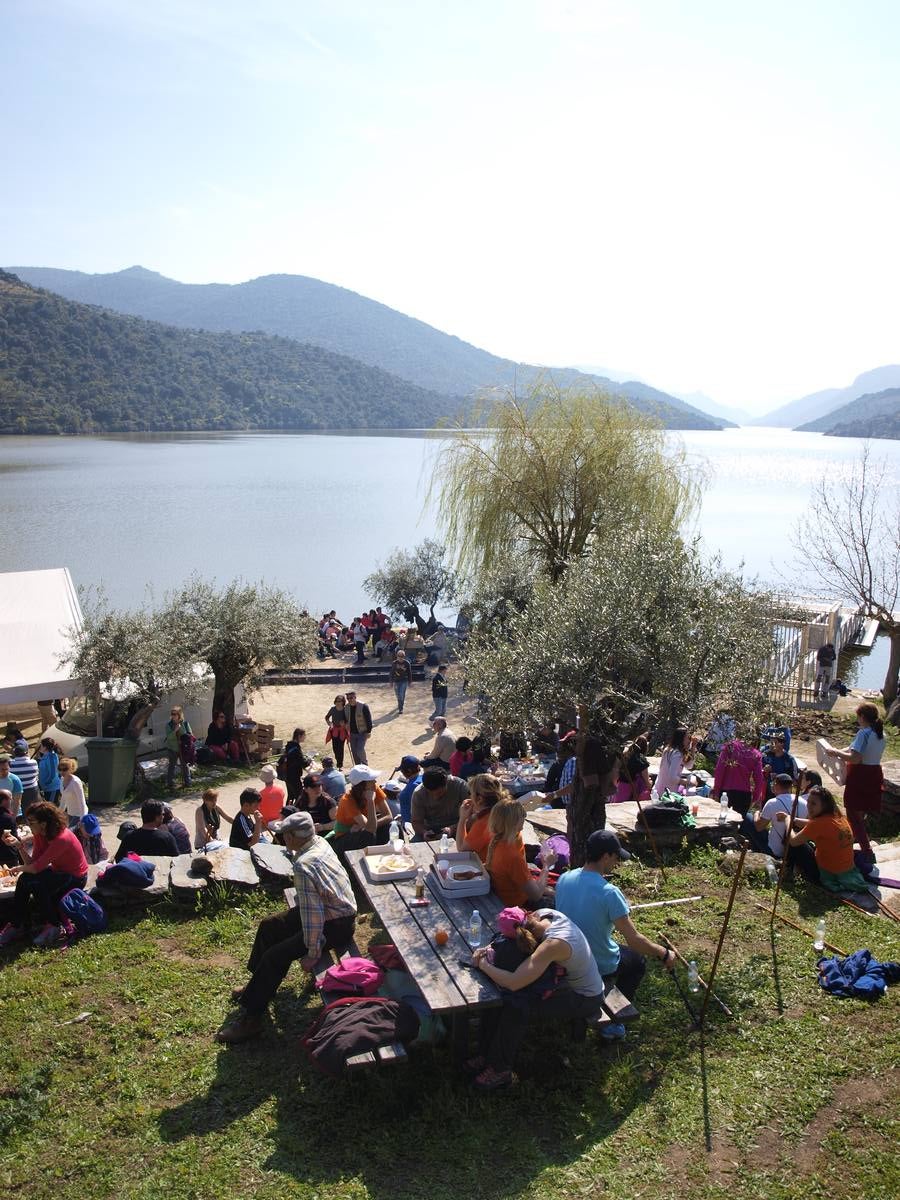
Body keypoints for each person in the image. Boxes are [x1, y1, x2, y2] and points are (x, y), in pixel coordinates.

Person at [216, 811, 357, 1043]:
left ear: (292, 836)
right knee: (269, 925)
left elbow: (314, 918)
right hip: (334, 911)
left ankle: (251, 1019)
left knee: (275, 957)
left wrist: (313, 952)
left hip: (336, 923)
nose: (282, 839)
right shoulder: (319, 842)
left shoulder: (303, 864)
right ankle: (256, 987)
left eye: (284, 835)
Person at [470, 907, 606, 1090]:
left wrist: (483, 964)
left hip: (583, 997)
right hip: (563, 980)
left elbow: (514, 982)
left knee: (516, 1006)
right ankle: (485, 1053)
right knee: (499, 995)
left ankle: (500, 1070)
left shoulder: (553, 944)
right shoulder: (544, 914)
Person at [555, 829, 675, 1035]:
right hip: (597, 964)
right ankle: (614, 1023)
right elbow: (635, 940)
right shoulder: (609, 892)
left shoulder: (564, 879)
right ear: (605, 856)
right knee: (637, 961)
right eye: (615, 856)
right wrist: (663, 952)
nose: (617, 862)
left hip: (566, 958)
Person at [0, 800, 90, 947]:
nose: (28, 825)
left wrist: (17, 868)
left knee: (35, 882)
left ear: (43, 823)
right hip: (59, 872)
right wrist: (18, 846)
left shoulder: (61, 838)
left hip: (76, 877)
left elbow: (36, 868)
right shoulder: (40, 835)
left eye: (31, 822)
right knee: (25, 879)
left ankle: (54, 925)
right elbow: (32, 864)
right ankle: (17, 925)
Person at [827, 702, 886, 865]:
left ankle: (867, 851)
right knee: (859, 813)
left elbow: (855, 758)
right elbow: (853, 749)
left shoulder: (864, 733)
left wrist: (835, 753)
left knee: (853, 813)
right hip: (874, 773)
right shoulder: (879, 733)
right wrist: (840, 751)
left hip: (860, 775)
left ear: (862, 717)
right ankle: (851, 841)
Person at [786, 785, 869, 893]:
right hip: (847, 870)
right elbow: (817, 826)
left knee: (793, 842)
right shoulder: (838, 817)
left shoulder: (818, 824)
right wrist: (796, 820)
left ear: (824, 806)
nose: (809, 806)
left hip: (827, 873)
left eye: (813, 804)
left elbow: (793, 841)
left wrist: (788, 821)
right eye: (809, 802)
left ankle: (790, 872)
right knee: (804, 838)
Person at [485, 798, 551, 907]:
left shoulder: (497, 840)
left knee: (551, 890)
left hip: (504, 895)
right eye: (522, 816)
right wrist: (546, 865)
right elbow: (536, 895)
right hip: (518, 904)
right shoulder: (512, 856)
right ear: (514, 822)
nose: (524, 817)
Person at [751, 774, 819, 882]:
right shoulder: (803, 802)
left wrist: (756, 814)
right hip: (794, 851)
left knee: (749, 819)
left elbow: (759, 827)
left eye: (773, 784)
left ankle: (755, 851)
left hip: (775, 851)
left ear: (776, 785)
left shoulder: (772, 802)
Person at [329, 765, 392, 849]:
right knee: (368, 835)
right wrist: (370, 801)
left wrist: (365, 826)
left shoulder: (373, 788)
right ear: (362, 785)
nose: (375, 781)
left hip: (359, 830)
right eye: (371, 780)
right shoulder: (347, 800)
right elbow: (370, 829)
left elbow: (388, 816)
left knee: (392, 825)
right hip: (344, 837)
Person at [455, 773, 507, 859]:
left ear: (479, 799)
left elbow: (462, 850)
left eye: (470, 793)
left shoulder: (485, 822)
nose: (470, 797)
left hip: (495, 871)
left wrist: (462, 819)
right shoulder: (504, 810)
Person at [711, 737, 765, 818]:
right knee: (738, 825)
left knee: (722, 823)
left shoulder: (729, 748)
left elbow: (719, 770)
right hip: (744, 795)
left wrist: (716, 791)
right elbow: (759, 779)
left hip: (726, 793)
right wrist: (755, 798)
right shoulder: (755, 754)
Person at [410, 767, 469, 841]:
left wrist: (453, 828)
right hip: (431, 829)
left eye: (439, 793)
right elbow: (416, 822)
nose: (435, 797)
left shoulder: (460, 786)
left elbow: (473, 814)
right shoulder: (418, 793)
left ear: (446, 783)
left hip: (458, 826)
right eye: (431, 793)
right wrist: (424, 832)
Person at [115, 800, 179, 861]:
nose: (163, 817)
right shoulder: (167, 837)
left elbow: (119, 859)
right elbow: (175, 859)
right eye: (162, 814)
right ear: (157, 817)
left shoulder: (129, 836)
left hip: (136, 872)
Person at [653, 728, 696, 798]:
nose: (689, 740)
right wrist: (687, 782)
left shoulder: (668, 749)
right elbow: (672, 777)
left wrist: (693, 748)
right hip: (666, 793)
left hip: (659, 789)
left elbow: (689, 766)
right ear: (681, 739)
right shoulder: (677, 754)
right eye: (687, 738)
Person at [613, 736, 651, 805]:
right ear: (645, 748)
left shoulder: (624, 756)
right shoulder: (641, 760)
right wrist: (650, 785)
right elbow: (647, 783)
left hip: (620, 785)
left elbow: (616, 771)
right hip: (630, 788)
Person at [164, 706, 193, 790]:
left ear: (179, 715)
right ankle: (170, 783)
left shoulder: (185, 723)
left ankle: (188, 782)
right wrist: (175, 731)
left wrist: (183, 740)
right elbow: (169, 737)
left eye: (174, 714)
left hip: (183, 748)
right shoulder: (169, 725)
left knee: (185, 765)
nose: (172, 716)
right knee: (172, 766)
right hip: (172, 748)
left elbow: (190, 734)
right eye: (172, 714)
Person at [762, 733, 798, 797]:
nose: (771, 745)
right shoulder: (765, 756)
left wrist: (781, 777)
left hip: (783, 795)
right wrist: (764, 770)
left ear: (782, 744)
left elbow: (795, 780)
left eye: (774, 743)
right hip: (766, 793)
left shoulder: (789, 760)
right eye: (770, 742)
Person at [9, 739, 39, 816]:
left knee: (16, 808)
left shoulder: (10, 764)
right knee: (30, 810)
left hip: (16, 790)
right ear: (26, 753)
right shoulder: (33, 762)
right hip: (31, 790)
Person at [281, 728, 311, 803]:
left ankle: (287, 812)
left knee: (290, 796)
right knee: (299, 796)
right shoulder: (296, 749)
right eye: (304, 735)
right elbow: (303, 763)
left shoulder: (289, 745)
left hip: (287, 775)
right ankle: (298, 812)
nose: (305, 737)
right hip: (294, 776)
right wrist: (309, 761)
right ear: (299, 736)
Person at [58, 758, 88, 831]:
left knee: (71, 833)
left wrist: (82, 820)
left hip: (79, 814)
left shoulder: (75, 782)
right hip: (70, 813)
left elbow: (82, 802)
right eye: (60, 769)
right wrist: (58, 813)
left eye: (65, 769)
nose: (62, 771)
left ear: (71, 769)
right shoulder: (62, 779)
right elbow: (63, 798)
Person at [345, 692, 372, 765]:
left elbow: (368, 719)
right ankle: (358, 767)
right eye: (348, 698)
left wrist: (369, 731)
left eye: (351, 698)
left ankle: (365, 765)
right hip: (352, 733)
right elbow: (346, 719)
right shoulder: (346, 707)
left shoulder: (363, 706)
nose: (349, 700)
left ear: (355, 697)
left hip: (362, 732)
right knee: (354, 751)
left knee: (360, 750)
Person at [324, 696, 350, 770]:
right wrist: (330, 723)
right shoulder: (333, 709)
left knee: (340, 748)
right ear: (335, 702)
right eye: (337, 701)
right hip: (334, 730)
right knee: (335, 748)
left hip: (342, 731)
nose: (338, 703)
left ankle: (340, 765)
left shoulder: (345, 710)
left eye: (340, 701)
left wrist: (344, 724)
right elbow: (327, 717)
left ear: (343, 702)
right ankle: (338, 762)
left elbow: (348, 720)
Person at [395, 755, 422, 826]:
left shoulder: (411, 788)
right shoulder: (423, 778)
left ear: (409, 771)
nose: (401, 771)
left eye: (402, 769)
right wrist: (402, 815)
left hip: (412, 827)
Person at [37, 738, 62, 805]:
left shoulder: (51, 757)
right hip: (47, 788)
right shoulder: (46, 756)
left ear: (45, 747)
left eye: (41, 745)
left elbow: (53, 774)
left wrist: (45, 784)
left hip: (52, 788)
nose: (40, 747)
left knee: (51, 808)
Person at [0, 755, 24, 820]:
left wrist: (12, 818)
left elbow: (17, 802)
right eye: (2, 769)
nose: (4, 772)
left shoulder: (15, 780)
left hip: (13, 815)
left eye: (6, 769)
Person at [0, 792, 20, 867]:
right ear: (4, 801)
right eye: (10, 798)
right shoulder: (8, 818)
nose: (12, 800)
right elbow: (14, 838)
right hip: (7, 857)